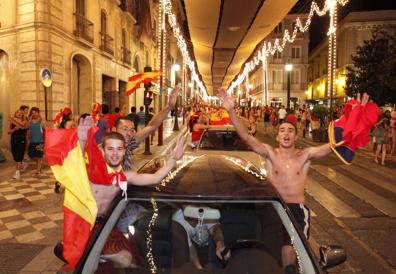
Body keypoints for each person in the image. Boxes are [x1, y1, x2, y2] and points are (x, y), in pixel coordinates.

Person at [219, 89, 371, 273]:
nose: (286, 133)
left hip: (296, 210)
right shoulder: (270, 154)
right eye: (282, 130)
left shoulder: (305, 155)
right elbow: (246, 137)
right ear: (277, 136)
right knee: (269, 248)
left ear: (296, 137)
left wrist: (357, 115)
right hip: (273, 208)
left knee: (291, 248)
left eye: (290, 130)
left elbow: (332, 146)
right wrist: (231, 111)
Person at [8, 109, 28, 179]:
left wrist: (12, 119)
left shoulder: (25, 121)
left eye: (21, 113)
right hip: (14, 140)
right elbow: (8, 131)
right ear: (15, 113)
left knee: (19, 156)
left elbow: (22, 126)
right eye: (17, 113)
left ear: (23, 115)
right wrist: (14, 129)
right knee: (15, 157)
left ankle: (17, 172)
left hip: (22, 140)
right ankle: (22, 164)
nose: (19, 114)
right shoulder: (11, 121)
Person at [27, 107, 46, 175]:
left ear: (38, 113)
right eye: (32, 113)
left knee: (39, 155)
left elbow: (45, 129)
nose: (34, 114)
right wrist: (29, 119)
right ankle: (39, 164)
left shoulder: (41, 120)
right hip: (32, 141)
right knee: (30, 154)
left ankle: (38, 169)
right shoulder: (30, 121)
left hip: (40, 141)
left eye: (35, 112)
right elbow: (27, 127)